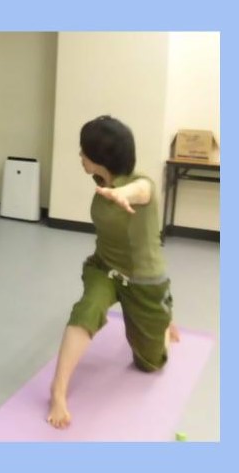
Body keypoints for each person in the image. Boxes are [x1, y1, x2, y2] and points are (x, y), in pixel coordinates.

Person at [47, 115, 181, 429]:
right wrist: (113, 191)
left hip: (144, 282)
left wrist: (124, 194)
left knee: (150, 364)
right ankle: (58, 391)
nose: (80, 156)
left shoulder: (142, 184)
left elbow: (141, 190)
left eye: (84, 151)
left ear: (101, 157)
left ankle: (164, 320)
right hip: (104, 269)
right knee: (86, 311)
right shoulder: (100, 180)